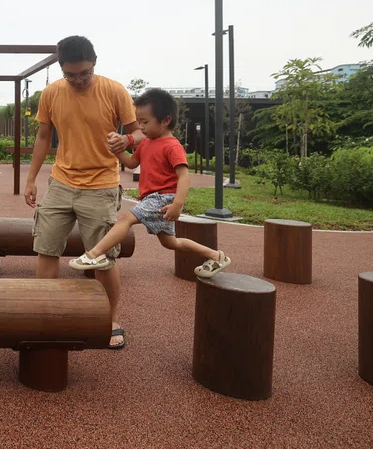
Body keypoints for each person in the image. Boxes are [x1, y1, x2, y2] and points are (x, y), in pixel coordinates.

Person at [25, 36, 144, 349]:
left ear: (94, 63)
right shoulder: (51, 93)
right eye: (71, 75)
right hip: (61, 182)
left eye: (84, 74)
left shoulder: (114, 90)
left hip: (101, 184)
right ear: (61, 68)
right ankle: (47, 316)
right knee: (46, 249)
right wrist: (31, 179)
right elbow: (42, 137)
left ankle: (110, 319)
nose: (78, 80)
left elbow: (139, 131)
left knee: (103, 258)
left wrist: (128, 142)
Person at [69, 88, 232, 278]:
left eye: (145, 122)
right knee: (171, 243)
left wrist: (178, 204)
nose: (141, 127)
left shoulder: (172, 146)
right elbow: (131, 163)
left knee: (125, 219)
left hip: (163, 198)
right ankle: (217, 256)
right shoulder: (146, 143)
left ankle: (95, 254)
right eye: (139, 122)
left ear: (165, 120)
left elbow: (184, 176)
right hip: (153, 198)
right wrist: (116, 149)